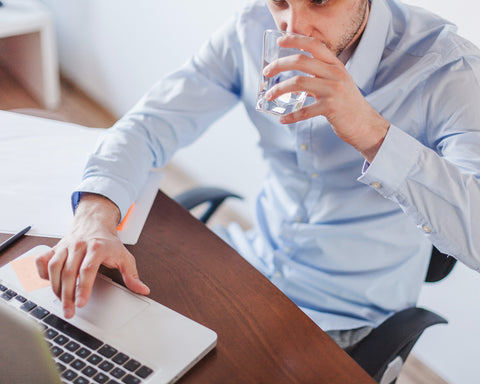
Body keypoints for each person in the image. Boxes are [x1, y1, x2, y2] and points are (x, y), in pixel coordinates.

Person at [36, 0, 480, 350]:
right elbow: (150, 123)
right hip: (250, 264)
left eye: (320, 1)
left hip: (345, 314)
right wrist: (95, 214)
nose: (294, 28)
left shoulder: (447, 69)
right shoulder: (250, 28)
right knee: (95, 332)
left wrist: (372, 133)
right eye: (280, 1)